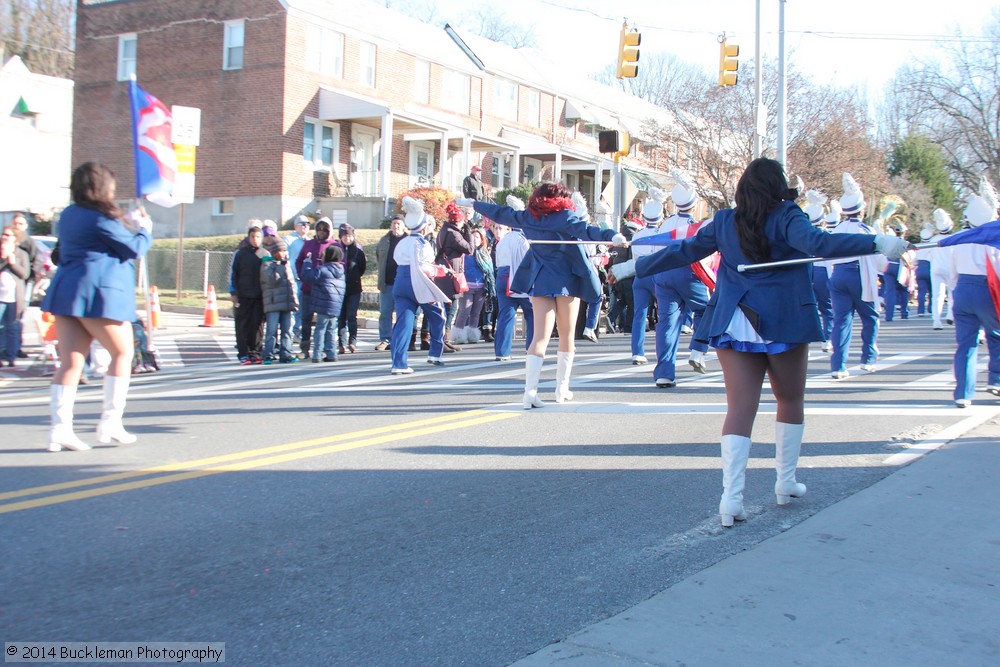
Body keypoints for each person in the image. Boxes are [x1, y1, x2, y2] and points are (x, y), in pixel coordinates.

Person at [615, 158, 908, 527]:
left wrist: (634, 266)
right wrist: (877, 241)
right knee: (790, 399)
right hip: (783, 318)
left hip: (734, 320)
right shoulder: (789, 216)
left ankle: (731, 500)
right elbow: (819, 243)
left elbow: (687, 251)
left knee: (740, 408)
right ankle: (784, 483)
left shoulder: (724, 220)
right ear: (778, 187)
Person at [456, 182, 625, 408]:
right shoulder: (565, 217)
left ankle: (530, 393)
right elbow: (588, 231)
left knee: (539, 338)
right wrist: (612, 235)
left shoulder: (528, 217)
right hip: (567, 280)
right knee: (566, 336)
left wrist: (474, 203)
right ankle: (561, 389)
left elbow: (501, 213)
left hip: (540, 280)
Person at [40, 162, 153, 452]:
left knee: (71, 363)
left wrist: (125, 224)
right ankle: (110, 421)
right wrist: (144, 229)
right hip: (99, 293)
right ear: (101, 186)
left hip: (66, 290)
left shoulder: (69, 214)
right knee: (123, 353)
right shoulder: (100, 216)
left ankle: (59, 429)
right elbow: (133, 249)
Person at [647, 169, 714, 387]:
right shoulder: (696, 225)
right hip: (689, 271)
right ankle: (698, 349)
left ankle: (664, 372)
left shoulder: (665, 224)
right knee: (705, 310)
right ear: (693, 204)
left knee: (667, 322)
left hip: (663, 273)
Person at [828, 172, 887, 379]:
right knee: (870, 316)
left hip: (837, 275)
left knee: (841, 321)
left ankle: (838, 365)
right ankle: (868, 358)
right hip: (859, 275)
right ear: (861, 209)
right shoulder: (866, 229)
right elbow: (881, 262)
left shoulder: (836, 229)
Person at [948, 178, 1000, 407]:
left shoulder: (961, 237)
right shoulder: (993, 237)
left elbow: (951, 272)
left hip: (962, 289)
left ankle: (963, 393)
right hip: (986, 288)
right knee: (996, 336)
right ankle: (996, 380)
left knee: (966, 343)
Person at [389, 196, 450, 374]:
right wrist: (443, 271)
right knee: (439, 316)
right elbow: (425, 269)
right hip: (419, 283)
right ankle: (435, 354)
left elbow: (398, 260)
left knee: (403, 323)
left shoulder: (402, 242)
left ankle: (398, 363)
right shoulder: (424, 245)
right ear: (424, 226)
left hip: (400, 281)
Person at [628, 188, 667, 364]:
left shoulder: (638, 235)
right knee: (665, 314)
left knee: (639, 314)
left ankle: (637, 352)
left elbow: (635, 257)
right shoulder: (662, 234)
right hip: (657, 273)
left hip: (640, 274)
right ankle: (663, 352)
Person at [493, 196, 534, 362]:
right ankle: (532, 349)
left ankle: (502, 352)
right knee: (532, 314)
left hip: (502, 276)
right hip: (517, 277)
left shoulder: (504, 240)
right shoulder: (523, 240)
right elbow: (528, 262)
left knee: (505, 315)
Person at [295, 217, 336, 358]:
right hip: (308, 288)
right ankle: (305, 348)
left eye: (325, 229)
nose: (322, 232)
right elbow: (299, 261)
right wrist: (302, 275)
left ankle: (325, 349)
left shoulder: (334, 246)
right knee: (306, 318)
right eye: (319, 229)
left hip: (325, 290)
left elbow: (340, 265)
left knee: (325, 322)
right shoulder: (308, 244)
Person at [437, 202, 475, 349]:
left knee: (449, 308)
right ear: (458, 221)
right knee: (450, 309)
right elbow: (470, 249)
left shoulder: (445, 230)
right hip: (450, 276)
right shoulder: (453, 233)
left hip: (446, 274)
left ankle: (444, 340)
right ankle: (443, 340)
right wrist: (469, 232)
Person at [301, 244, 346, 363]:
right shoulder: (341, 272)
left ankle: (317, 354)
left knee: (320, 329)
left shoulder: (322, 270)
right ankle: (331, 353)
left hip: (324, 304)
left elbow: (307, 277)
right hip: (336, 305)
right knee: (331, 329)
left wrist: (307, 263)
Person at [230, 225, 267, 364]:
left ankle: (255, 352)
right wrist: (233, 292)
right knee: (242, 325)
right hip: (243, 295)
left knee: (257, 326)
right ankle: (243, 353)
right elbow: (233, 274)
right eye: (252, 236)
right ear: (248, 237)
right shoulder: (240, 253)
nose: (255, 239)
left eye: (258, 237)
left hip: (259, 296)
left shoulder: (265, 254)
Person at [259, 235, 298, 364]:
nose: (283, 254)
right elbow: (272, 280)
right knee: (271, 330)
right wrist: (280, 266)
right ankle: (268, 354)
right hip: (273, 303)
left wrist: (295, 301)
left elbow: (291, 284)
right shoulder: (267, 264)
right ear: (274, 252)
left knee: (287, 330)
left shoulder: (286, 264)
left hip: (286, 302)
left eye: (284, 251)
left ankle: (285, 353)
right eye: (281, 251)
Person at [453, 226, 494, 343]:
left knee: (476, 313)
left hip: (481, 287)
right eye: (473, 237)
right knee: (464, 311)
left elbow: (490, 271)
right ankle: (458, 335)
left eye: (477, 237)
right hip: (467, 287)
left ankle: (472, 334)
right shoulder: (465, 254)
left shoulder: (485, 254)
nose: (475, 239)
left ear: (482, 240)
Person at [805, 190, 835, 352]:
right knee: (827, 308)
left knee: (808, 306)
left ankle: (806, 339)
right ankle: (826, 338)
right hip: (823, 272)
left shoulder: (801, 233)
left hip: (806, 272)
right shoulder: (824, 234)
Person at [375, 215, 407, 351]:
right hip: (387, 283)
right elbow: (378, 258)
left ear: (404, 226)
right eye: (394, 223)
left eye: (399, 224)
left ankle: (399, 339)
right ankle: (385, 339)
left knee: (403, 314)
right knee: (385, 313)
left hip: (403, 284)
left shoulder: (408, 241)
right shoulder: (384, 241)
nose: (396, 226)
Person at [0, 225, 29, 367]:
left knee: (12, 327)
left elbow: (25, 274)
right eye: (3, 234)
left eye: (8, 235)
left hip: (13, 297)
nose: (5, 237)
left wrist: (12, 263)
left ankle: (10, 356)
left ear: (15, 238)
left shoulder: (21, 254)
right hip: (1, 297)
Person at [337, 223, 366, 354]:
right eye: (344, 236)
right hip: (339, 288)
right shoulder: (336, 249)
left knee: (351, 316)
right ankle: (341, 343)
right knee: (341, 316)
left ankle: (352, 341)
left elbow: (362, 268)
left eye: (349, 236)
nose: (347, 238)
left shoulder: (358, 251)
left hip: (354, 287)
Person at [927, 208, 957, 330]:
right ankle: (950, 314)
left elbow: (929, 256)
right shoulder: (955, 239)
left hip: (936, 268)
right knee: (952, 293)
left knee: (937, 295)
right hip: (950, 269)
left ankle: (936, 320)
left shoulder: (933, 240)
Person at [284, 214, 311, 341]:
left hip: (304, 280)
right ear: (295, 226)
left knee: (302, 309)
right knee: (292, 308)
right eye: (302, 224)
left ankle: (297, 332)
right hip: (293, 280)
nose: (305, 226)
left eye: (308, 224)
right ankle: (288, 333)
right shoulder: (288, 240)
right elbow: (285, 258)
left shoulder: (310, 242)